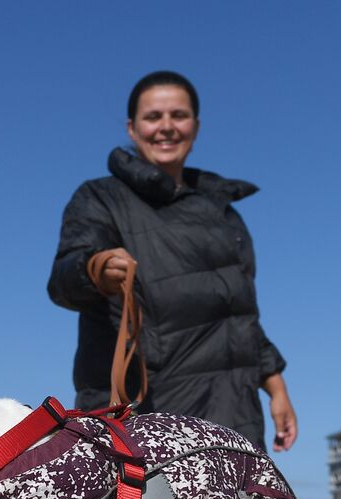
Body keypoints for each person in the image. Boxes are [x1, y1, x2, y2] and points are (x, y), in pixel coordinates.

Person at [46, 70, 298, 452]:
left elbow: (240, 316)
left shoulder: (225, 213)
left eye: (178, 116)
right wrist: (94, 269)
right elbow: (62, 282)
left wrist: (277, 388)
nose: (166, 127)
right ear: (132, 129)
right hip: (147, 422)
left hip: (236, 418)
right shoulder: (100, 198)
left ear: (195, 126)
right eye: (153, 117)